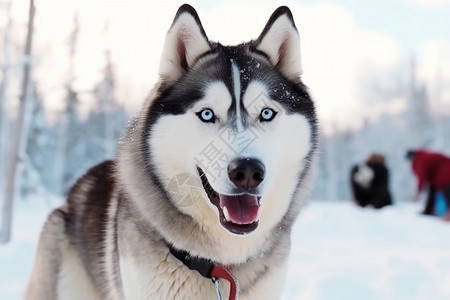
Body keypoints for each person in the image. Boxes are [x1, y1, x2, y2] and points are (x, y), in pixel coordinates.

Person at [406, 149, 450, 221]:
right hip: (439, 176)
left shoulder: (420, 160)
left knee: (448, 192)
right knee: (432, 190)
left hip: (446, 175)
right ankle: (428, 211)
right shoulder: (423, 157)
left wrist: (418, 192)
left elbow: (421, 176)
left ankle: (447, 214)